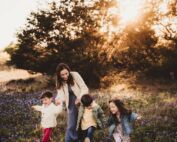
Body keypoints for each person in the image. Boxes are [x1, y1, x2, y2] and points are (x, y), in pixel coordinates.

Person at [55, 63, 89, 142]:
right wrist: (58, 99)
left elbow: (84, 88)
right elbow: (60, 95)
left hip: (82, 99)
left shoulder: (75, 75)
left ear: (69, 71)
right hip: (70, 103)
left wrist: (79, 98)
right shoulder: (58, 81)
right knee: (71, 124)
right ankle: (69, 140)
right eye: (62, 75)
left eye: (66, 73)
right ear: (59, 75)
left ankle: (82, 139)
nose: (65, 76)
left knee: (82, 122)